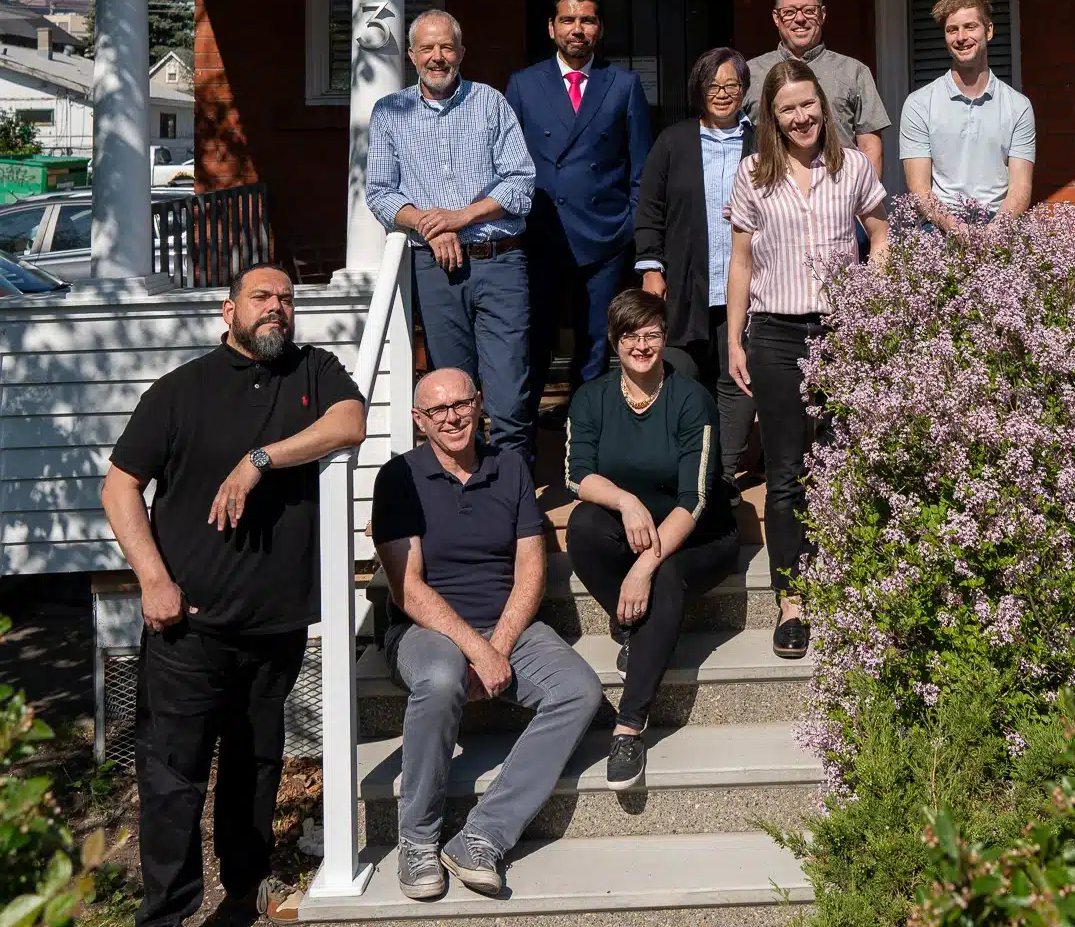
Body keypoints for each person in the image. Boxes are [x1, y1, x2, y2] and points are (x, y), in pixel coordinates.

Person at [100, 263, 367, 927]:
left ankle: (245, 894)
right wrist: (153, 580)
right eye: (261, 297)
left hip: (275, 627)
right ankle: (167, 913)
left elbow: (350, 423)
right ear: (229, 312)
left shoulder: (314, 371)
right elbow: (119, 486)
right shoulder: (180, 391)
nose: (276, 307)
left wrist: (259, 460)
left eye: (286, 298)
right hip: (188, 627)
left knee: (256, 768)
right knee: (173, 779)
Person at [371, 368, 602, 902]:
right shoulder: (399, 477)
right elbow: (408, 589)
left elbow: (530, 569)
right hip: (424, 630)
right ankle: (417, 840)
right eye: (437, 410)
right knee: (442, 676)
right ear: (419, 420)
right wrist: (476, 650)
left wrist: (497, 646)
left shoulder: (510, 467)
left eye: (461, 404)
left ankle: (482, 836)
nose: (452, 417)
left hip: (505, 624)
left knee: (579, 690)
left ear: (478, 405)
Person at [727, 59, 889, 659]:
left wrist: (871, 301)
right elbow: (741, 261)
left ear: (822, 103)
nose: (801, 117)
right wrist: (735, 339)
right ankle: (791, 601)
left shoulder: (853, 168)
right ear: (771, 117)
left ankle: (845, 583)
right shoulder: (753, 175)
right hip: (775, 334)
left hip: (841, 332)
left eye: (807, 104)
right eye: (787, 109)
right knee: (787, 471)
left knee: (842, 462)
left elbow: (880, 235)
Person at [564, 289, 739, 788]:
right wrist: (625, 501)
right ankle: (634, 627)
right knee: (583, 526)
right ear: (614, 340)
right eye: (630, 335)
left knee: (665, 575)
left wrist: (643, 567)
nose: (641, 345)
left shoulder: (691, 400)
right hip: (633, 528)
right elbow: (577, 476)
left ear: (664, 338)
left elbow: (695, 499)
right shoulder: (592, 398)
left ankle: (629, 726)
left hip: (700, 538)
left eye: (652, 334)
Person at [366, 9, 537, 458]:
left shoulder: (490, 103)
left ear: (461, 52)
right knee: (454, 400)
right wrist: (428, 223)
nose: (437, 57)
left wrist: (459, 218)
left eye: (446, 47)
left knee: (509, 396)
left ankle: (514, 490)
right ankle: (469, 488)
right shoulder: (390, 112)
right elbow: (380, 192)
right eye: (427, 48)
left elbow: (521, 183)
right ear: (411, 55)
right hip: (436, 270)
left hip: (499, 263)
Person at [506, 0, 653, 420]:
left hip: (604, 239)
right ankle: (522, 448)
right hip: (540, 235)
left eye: (586, 20)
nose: (577, 29)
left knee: (595, 349)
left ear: (599, 28)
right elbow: (504, 161)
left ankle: (586, 441)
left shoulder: (623, 84)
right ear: (551, 28)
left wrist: (628, 225)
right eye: (568, 19)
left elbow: (641, 169)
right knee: (533, 344)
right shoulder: (524, 84)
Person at [634, 46, 758, 487]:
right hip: (686, 281)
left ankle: (723, 474)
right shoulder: (674, 141)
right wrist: (652, 268)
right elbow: (649, 208)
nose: (723, 94)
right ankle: (689, 467)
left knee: (737, 375)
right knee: (680, 373)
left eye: (732, 85)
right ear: (698, 90)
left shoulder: (762, 141)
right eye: (713, 85)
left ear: (744, 89)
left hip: (746, 283)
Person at [899, 0, 1036, 232]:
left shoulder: (1018, 106)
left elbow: (1020, 189)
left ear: (989, 31)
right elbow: (919, 189)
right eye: (952, 30)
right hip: (940, 225)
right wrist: (958, 230)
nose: (961, 37)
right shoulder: (919, 104)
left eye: (970, 27)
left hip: (999, 222)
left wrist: (991, 234)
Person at [744, 0, 890, 176]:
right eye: (789, 12)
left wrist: (867, 193)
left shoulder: (854, 72)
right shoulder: (749, 73)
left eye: (809, 11)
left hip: (840, 187)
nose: (800, 19)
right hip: (770, 188)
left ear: (822, 15)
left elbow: (870, 147)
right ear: (776, 18)